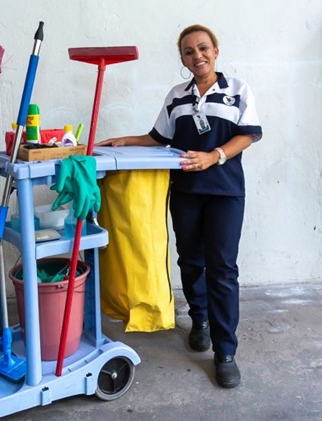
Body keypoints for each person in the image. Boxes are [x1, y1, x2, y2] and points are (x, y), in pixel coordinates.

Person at [96, 24, 262, 388]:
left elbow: (248, 135)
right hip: (185, 191)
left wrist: (213, 156)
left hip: (225, 192)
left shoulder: (237, 91)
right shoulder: (176, 95)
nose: (197, 56)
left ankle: (225, 351)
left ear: (216, 50)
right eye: (188, 51)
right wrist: (125, 140)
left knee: (222, 268)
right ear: (182, 58)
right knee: (190, 259)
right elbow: (159, 137)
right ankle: (199, 319)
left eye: (203, 48)